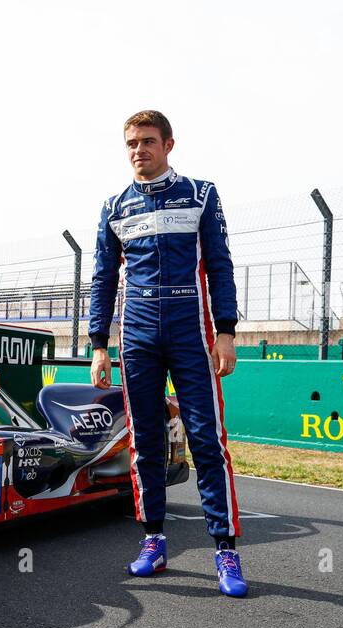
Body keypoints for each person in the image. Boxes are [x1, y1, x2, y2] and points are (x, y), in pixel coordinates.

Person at [88, 110, 248, 597]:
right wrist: (98, 345)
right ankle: (153, 539)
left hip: (191, 330)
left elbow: (220, 265)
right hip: (136, 333)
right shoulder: (114, 207)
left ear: (169, 144)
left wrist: (226, 330)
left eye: (148, 141)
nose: (139, 150)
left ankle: (225, 549)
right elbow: (103, 280)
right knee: (145, 439)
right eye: (132, 143)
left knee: (206, 438)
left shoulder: (201, 194)